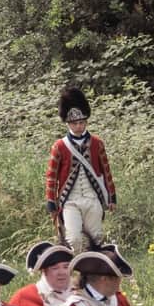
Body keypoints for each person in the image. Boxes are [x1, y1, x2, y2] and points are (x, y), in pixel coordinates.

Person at [44, 86, 116, 252]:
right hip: (70, 199)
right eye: (75, 123)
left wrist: (112, 197)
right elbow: (51, 177)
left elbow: (106, 171)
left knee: (96, 239)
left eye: (82, 122)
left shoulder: (97, 143)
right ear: (68, 123)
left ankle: (92, 272)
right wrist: (51, 203)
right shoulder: (59, 146)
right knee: (73, 239)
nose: (79, 126)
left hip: (93, 197)